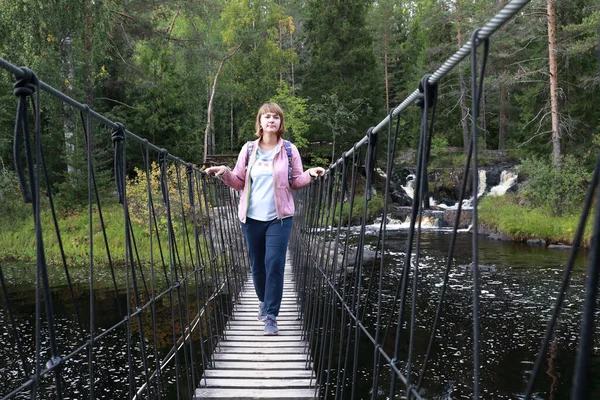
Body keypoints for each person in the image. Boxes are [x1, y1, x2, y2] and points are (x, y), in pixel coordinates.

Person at [205, 102, 324, 336]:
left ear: (280, 123)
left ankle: (271, 315)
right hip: (250, 218)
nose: (271, 120)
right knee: (257, 266)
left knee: (275, 264)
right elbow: (239, 181)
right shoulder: (248, 150)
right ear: (260, 122)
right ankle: (263, 300)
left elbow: (296, 181)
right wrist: (225, 172)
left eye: (276, 117)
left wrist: (310, 174)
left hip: (279, 219)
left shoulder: (290, 150)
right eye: (267, 116)